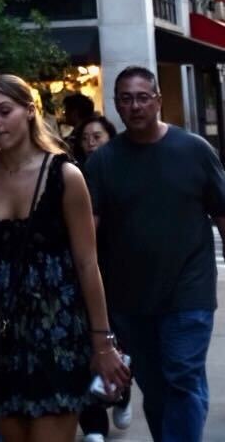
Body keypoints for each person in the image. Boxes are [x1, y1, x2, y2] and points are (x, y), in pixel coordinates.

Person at [0, 74, 130, 441]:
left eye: (4, 111)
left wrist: (102, 342)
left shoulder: (65, 176)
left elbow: (88, 263)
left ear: (29, 111)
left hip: (55, 335)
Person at [85, 66, 225, 442]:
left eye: (143, 97)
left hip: (188, 290)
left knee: (181, 376)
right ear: (116, 105)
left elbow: (221, 212)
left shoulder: (194, 150)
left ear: (158, 100)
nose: (135, 106)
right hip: (130, 299)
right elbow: (88, 233)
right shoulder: (103, 162)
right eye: (126, 99)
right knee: (158, 389)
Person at [72, 113, 131, 441]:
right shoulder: (72, 175)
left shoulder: (124, 172)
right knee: (83, 349)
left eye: (98, 136)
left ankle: (121, 393)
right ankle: (93, 425)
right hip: (84, 273)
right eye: (86, 138)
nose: (92, 143)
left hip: (120, 274)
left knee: (120, 344)